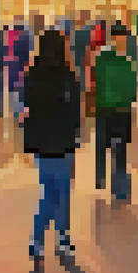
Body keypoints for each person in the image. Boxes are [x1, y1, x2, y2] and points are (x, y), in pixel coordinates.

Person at [22, 29, 82, 261]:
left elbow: (26, 105)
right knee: (61, 192)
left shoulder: (32, 75)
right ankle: (60, 238)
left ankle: (40, 240)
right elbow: (75, 111)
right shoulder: (67, 76)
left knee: (48, 190)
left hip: (41, 142)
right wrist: (76, 136)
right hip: (62, 141)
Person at [93, 25, 138, 203]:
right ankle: (114, 185)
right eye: (121, 38)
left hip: (110, 108)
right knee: (114, 146)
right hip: (114, 109)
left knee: (111, 146)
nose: (123, 42)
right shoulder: (120, 59)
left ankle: (107, 180)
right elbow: (131, 86)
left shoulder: (105, 57)